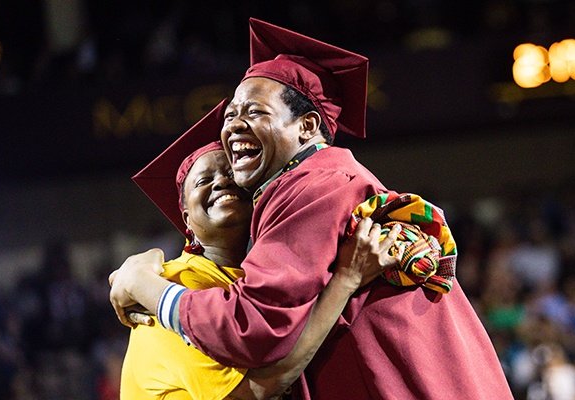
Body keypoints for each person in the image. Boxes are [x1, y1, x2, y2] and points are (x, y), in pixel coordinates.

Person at [111, 18, 513, 399]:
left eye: (254, 111)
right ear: (185, 220)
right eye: (230, 114)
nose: (233, 126)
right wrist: (345, 281)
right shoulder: (191, 276)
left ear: (306, 126)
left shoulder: (313, 186)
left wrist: (142, 285)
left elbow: (252, 329)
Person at [114, 101, 404, 400]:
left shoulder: (273, 280)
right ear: (186, 219)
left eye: (232, 174)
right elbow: (252, 393)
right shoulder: (173, 284)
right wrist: (346, 279)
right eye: (203, 181)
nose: (222, 182)